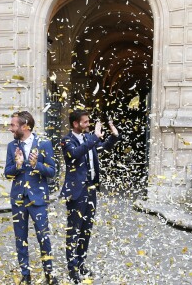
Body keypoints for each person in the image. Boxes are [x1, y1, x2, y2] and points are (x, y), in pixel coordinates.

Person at [60, 109, 120, 284]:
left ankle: (81, 263)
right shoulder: (66, 141)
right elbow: (76, 154)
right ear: (75, 124)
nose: (88, 124)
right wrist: (94, 137)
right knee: (74, 230)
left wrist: (114, 136)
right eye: (85, 122)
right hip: (76, 192)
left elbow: (102, 147)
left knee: (86, 230)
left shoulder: (88, 139)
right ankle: (72, 268)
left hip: (91, 190)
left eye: (88, 122)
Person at [4, 111, 58, 285]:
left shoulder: (44, 143)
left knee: (44, 237)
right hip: (18, 198)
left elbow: (52, 172)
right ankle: (25, 275)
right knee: (21, 238)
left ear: (25, 126)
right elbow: (7, 173)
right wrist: (18, 165)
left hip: (38, 198)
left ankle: (49, 274)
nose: (10, 128)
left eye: (13, 125)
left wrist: (37, 165)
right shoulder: (12, 146)